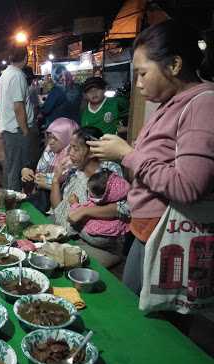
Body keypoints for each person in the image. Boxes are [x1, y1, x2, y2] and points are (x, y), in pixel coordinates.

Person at [88, 20, 214, 294]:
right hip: (146, 229)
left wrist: (127, 154)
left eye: (143, 73)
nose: (139, 83)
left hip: (168, 236)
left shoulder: (202, 104)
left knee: (155, 327)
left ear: (175, 65)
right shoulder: (171, 103)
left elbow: (188, 185)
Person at [50, 126, 130, 266]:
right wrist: (56, 181)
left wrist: (84, 211)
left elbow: (124, 208)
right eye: (70, 148)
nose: (70, 153)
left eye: (76, 148)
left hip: (102, 248)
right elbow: (59, 211)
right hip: (73, 237)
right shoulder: (75, 173)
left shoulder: (107, 175)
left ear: (92, 152)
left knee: (63, 262)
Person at [20, 117, 78, 213]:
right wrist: (25, 171)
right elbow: (31, 165)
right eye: (50, 137)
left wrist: (49, 184)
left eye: (55, 138)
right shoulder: (49, 151)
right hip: (39, 200)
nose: (50, 142)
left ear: (66, 137)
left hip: (59, 209)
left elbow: (71, 189)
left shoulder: (73, 160)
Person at [0, 44, 30, 191]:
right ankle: (14, 204)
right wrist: (25, 130)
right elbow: (18, 106)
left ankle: (9, 199)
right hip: (15, 130)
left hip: (8, 129)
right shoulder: (17, 76)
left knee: (11, 167)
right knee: (16, 170)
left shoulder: (5, 75)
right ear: (25, 57)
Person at [69, 169, 130, 237]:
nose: (87, 190)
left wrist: (74, 204)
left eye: (90, 190)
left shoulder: (95, 206)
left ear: (101, 197)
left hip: (101, 238)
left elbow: (75, 218)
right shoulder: (121, 198)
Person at [21, 65, 40, 169]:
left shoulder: (20, 89)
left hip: (22, 124)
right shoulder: (31, 90)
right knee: (32, 152)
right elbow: (36, 107)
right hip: (30, 124)